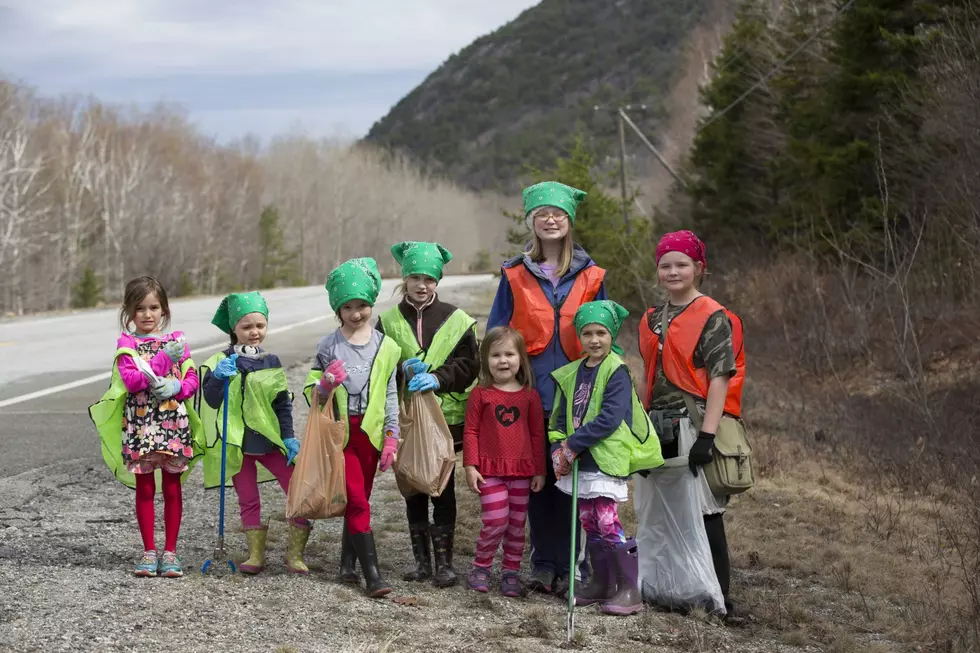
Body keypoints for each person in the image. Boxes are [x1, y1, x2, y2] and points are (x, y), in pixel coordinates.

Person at [486, 180, 608, 594]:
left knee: (575, 481)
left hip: (579, 398)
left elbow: (605, 334)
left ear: (569, 221)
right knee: (538, 479)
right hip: (531, 396)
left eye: (558, 213)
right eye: (542, 214)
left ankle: (576, 566)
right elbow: (497, 333)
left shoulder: (592, 275)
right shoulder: (515, 273)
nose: (551, 219)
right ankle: (543, 563)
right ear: (532, 222)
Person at [636, 230, 745, 620]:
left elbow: (720, 376)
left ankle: (720, 600)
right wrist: (639, 428)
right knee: (661, 510)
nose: (673, 271)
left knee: (704, 511)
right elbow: (647, 376)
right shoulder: (651, 318)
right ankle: (670, 588)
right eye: (665, 265)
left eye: (682, 264)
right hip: (657, 424)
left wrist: (708, 435)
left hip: (694, 421)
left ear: (699, 268)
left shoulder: (712, 316)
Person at [549, 301, 664, 615]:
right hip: (579, 462)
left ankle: (629, 590)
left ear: (611, 334)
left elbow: (610, 418)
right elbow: (559, 419)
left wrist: (573, 444)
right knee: (588, 522)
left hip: (605, 459)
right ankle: (600, 584)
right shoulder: (572, 373)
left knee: (606, 520)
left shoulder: (617, 370)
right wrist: (558, 448)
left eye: (601, 332)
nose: (594, 339)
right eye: (587, 333)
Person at [376, 241, 479, 588]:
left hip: (446, 419)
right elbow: (377, 367)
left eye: (430, 279)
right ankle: (421, 562)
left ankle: (445, 564)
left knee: (443, 489)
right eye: (415, 277)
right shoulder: (387, 321)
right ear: (404, 279)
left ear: (438, 281)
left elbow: (469, 366)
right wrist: (401, 370)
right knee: (413, 488)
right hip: (404, 417)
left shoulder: (457, 319)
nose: (422, 285)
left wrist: (437, 378)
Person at [89, 276, 204, 578]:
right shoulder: (127, 345)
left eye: (154, 307)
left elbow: (192, 381)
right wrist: (163, 361)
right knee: (145, 488)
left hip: (172, 425)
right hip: (140, 426)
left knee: (172, 488)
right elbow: (132, 381)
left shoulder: (177, 341)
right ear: (128, 312)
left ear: (164, 310)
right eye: (140, 308)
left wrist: (178, 386)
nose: (148, 315)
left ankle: (171, 553)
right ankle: (148, 551)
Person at [303, 257, 401, 598]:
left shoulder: (386, 347)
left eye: (362, 306)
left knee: (360, 498)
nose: (356, 313)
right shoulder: (329, 345)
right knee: (358, 500)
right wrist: (325, 385)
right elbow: (312, 393)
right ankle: (373, 577)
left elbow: (390, 396)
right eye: (348, 307)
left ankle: (347, 565)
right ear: (338, 310)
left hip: (370, 436)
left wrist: (391, 438)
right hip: (340, 433)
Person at [199, 291, 310, 575]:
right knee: (248, 499)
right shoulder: (220, 361)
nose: (254, 332)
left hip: (271, 442)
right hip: (237, 445)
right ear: (233, 329)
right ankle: (255, 555)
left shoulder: (271, 361)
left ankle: (295, 555)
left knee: (296, 491)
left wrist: (288, 436)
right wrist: (218, 377)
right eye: (246, 327)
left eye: (260, 326)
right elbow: (211, 400)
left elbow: (282, 403)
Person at [462, 327, 546, 597]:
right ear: (486, 359)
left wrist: (539, 470)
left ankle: (511, 571)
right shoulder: (481, 394)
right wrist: (470, 466)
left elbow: (536, 434)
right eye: (496, 354)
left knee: (516, 525)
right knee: (496, 521)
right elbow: (471, 431)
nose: (503, 360)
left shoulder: (529, 395)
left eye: (509, 354)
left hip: (521, 471)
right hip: (489, 472)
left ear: (521, 358)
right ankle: (481, 566)